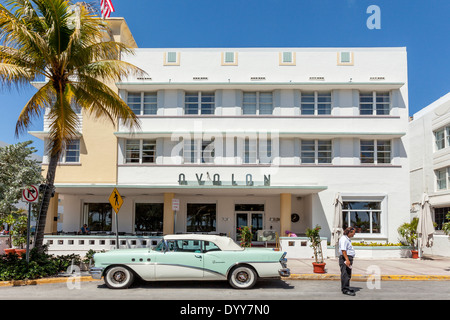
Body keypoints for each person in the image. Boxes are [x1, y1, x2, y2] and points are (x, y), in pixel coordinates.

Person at [339, 227, 356, 296]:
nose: (353, 235)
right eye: (353, 233)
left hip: (347, 258)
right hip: (345, 258)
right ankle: (345, 289)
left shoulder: (347, 239)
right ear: (349, 232)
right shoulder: (343, 239)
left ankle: (347, 287)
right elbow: (343, 250)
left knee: (348, 274)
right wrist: (347, 259)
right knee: (345, 274)